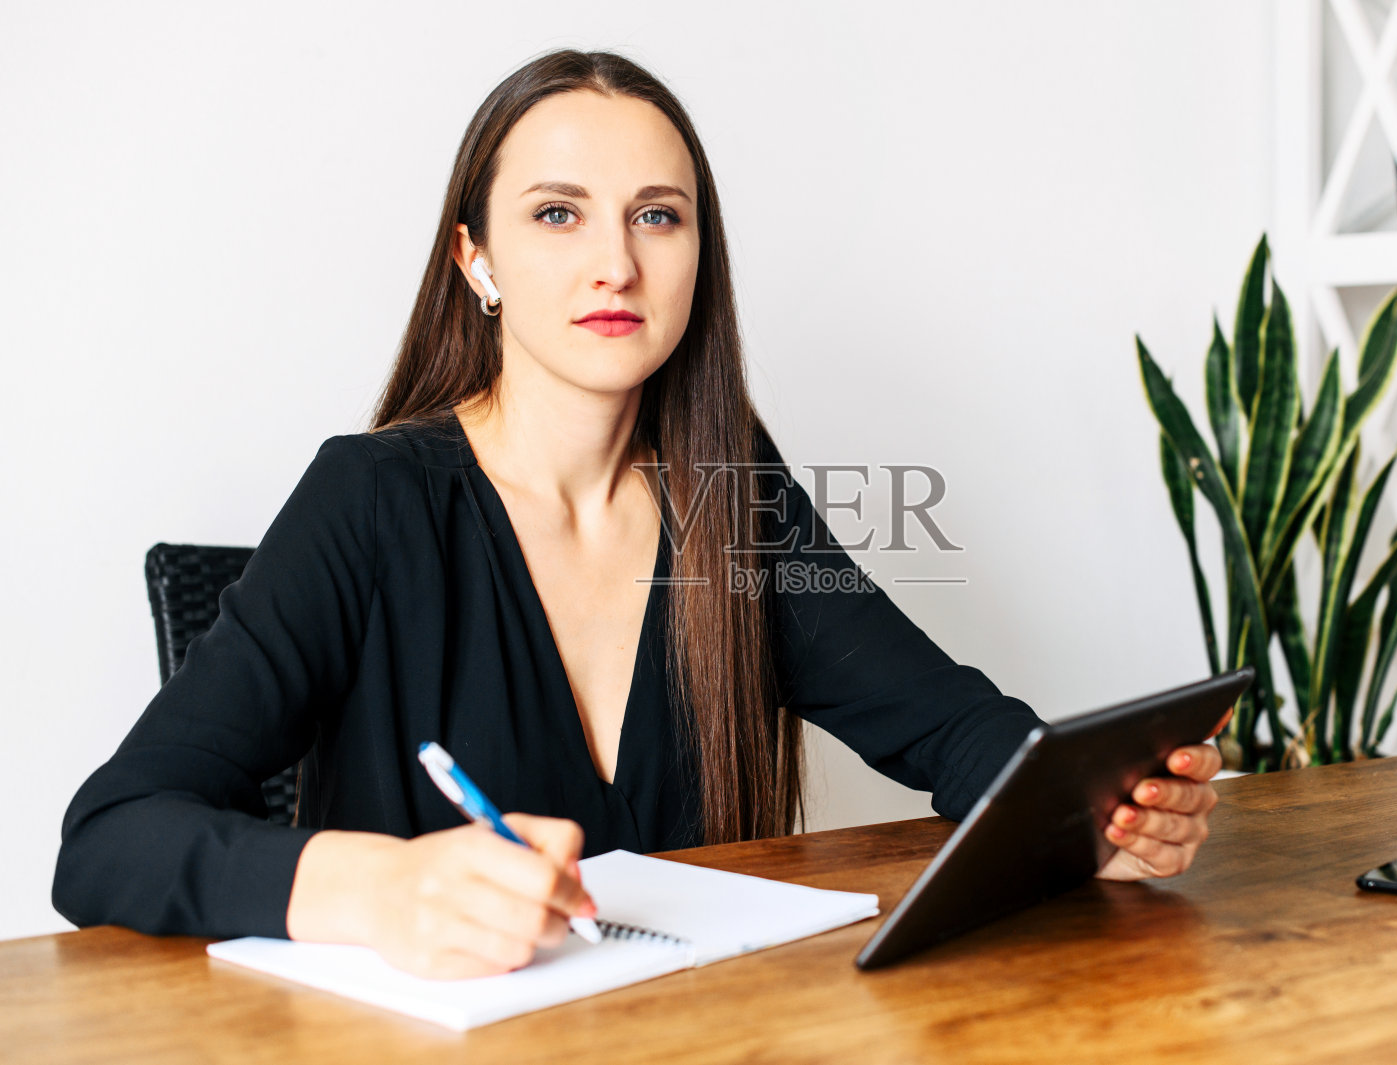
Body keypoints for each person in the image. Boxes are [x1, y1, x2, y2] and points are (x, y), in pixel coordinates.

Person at [53, 49, 1231, 981]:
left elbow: (956, 731)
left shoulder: (734, 499)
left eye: (656, 216)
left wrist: (1090, 822)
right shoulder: (370, 499)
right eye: (558, 215)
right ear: (477, 259)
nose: (614, 262)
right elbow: (108, 838)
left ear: (697, 256)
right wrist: (380, 891)